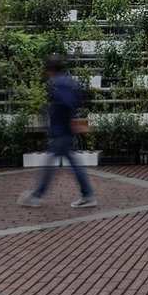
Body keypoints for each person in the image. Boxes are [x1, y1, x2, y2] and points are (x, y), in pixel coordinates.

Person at [17, 56, 96, 208]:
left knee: (51, 161)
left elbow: (65, 103)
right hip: (65, 128)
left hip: (62, 128)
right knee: (72, 162)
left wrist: (67, 119)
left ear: (49, 69)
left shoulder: (58, 83)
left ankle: (37, 195)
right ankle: (87, 194)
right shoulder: (67, 81)